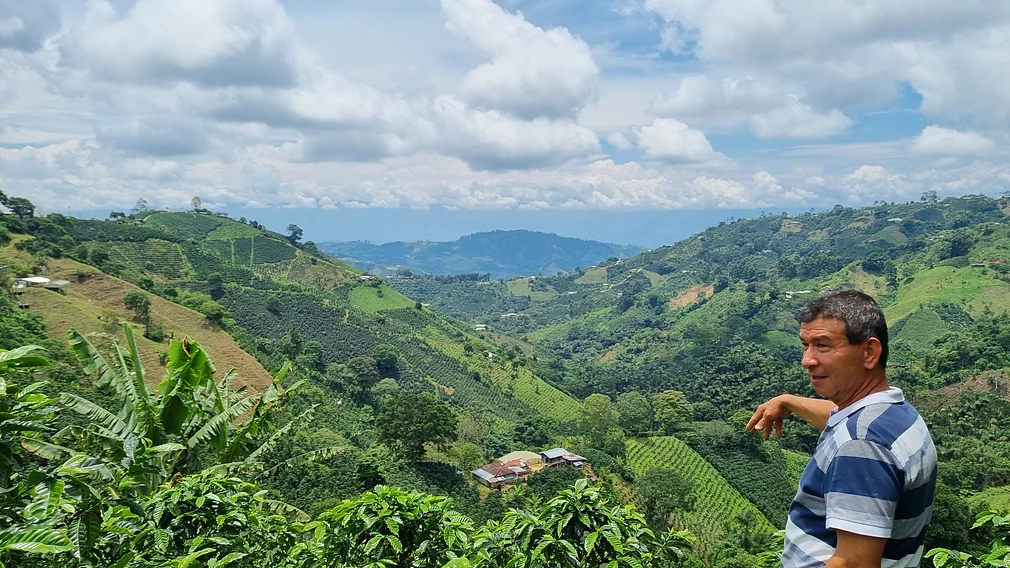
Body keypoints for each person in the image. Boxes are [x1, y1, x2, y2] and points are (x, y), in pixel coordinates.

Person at [747, 290, 936, 568]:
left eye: (822, 345)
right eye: (805, 345)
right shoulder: (893, 415)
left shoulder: (862, 446)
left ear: (869, 352)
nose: (807, 360)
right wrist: (788, 402)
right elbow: (843, 418)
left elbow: (854, 563)